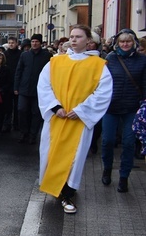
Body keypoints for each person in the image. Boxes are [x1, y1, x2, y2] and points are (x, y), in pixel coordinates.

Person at [37, 25, 112, 214]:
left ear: (88, 41)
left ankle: (67, 193)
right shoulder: (55, 62)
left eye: (78, 36)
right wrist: (55, 107)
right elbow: (44, 86)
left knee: (74, 158)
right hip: (57, 119)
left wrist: (81, 110)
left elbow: (102, 94)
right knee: (51, 153)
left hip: (79, 121)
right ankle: (53, 186)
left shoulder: (98, 65)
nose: (73, 40)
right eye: (71, 36)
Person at [101, 28, 146, 193]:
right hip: (110, 107)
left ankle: (124, 177)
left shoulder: (143, 60)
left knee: (128, 143)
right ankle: (106, 169)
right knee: (107, 141)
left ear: (134, 43)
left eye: (128, 41)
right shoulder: (110, 59)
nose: (125, 44)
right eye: (122, 41)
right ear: (117, 43)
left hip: (132, 108)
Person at [15, 33, 51, 145]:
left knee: (36, 113)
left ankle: (33, 135)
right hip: (24, 88)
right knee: (21, 110)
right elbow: (19, 71)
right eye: (33, 41)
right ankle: (23, 133)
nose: (34, 43)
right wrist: (16, 87)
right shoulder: (25, 55)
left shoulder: (46, 56)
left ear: (40, 43)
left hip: (39, 90)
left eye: (37, 42)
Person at [3, 37, 22, 132]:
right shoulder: (5, 54)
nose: (11, 44)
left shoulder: (21, 54)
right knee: (7, 106)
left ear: (16, 43)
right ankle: (7, 124)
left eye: (13, 43)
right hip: (7, 83)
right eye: (9, 43)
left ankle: (16, 124)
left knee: (17, 106)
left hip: (17, 82)